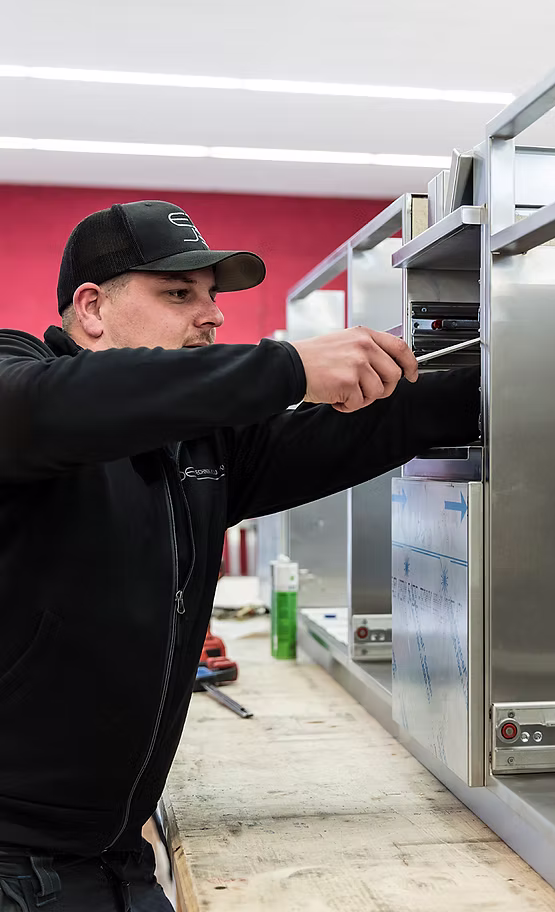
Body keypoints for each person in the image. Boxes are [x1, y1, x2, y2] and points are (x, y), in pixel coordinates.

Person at [0, 200, 479, 910]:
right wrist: (287, 367)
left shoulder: (203, 447)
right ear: (92, 308)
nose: (212, 315)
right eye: (178, 294)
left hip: (112, 855)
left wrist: (534, 371)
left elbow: (368, 431)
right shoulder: (22, 383)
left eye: (213, 297)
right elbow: (55, 407)